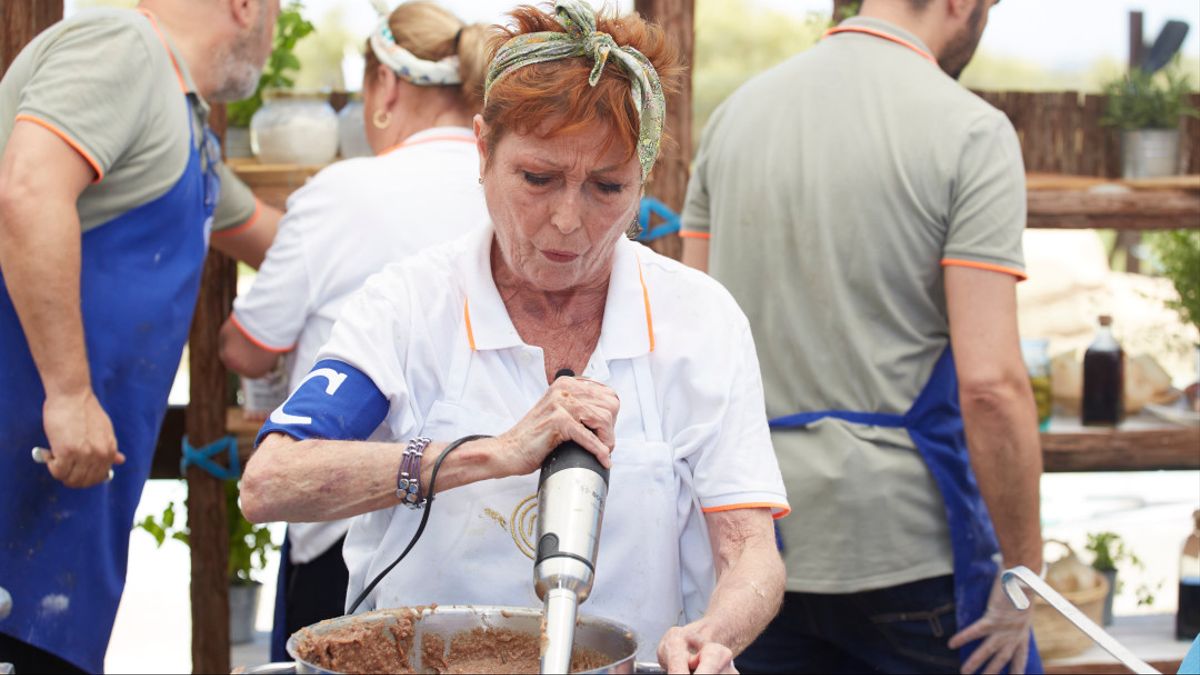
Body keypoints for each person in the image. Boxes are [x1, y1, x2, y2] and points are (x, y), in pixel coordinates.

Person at [239, 2, 789, 672]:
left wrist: (715, 632)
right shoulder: (409, 307)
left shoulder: (698, 320)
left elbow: (749, 549)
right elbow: (271, 483)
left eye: (607, 187)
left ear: (643, 179)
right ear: (482, 150)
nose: (567, 221)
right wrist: (489, 454)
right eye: (538, 178)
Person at [680, 0, 1044, 673]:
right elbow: (990, 385)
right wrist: (1024, 573)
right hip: (903, 549)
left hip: (751, 541)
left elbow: (692, 339)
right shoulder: (971, 132)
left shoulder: (733, 119)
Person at [0, 0, 283, 671]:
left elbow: (279, 240)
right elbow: (27, 191)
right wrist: (69, 393)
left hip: (60, 506)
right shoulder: (122, 48)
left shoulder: (183, 120)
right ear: (246, 7)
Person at [217, 0, 491, 660]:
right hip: (494, 520)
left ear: (384, 86)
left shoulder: (342, 193)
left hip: (351, 529)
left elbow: (249, 348)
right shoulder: (513, 186)